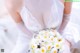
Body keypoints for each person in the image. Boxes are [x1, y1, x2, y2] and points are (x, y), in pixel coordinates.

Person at [5, 0, 72, 53]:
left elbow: (66, 17)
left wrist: (59, 41)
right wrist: (38, 44)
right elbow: (21, 27)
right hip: (29, 36)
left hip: (61, 30)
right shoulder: (11, 2)